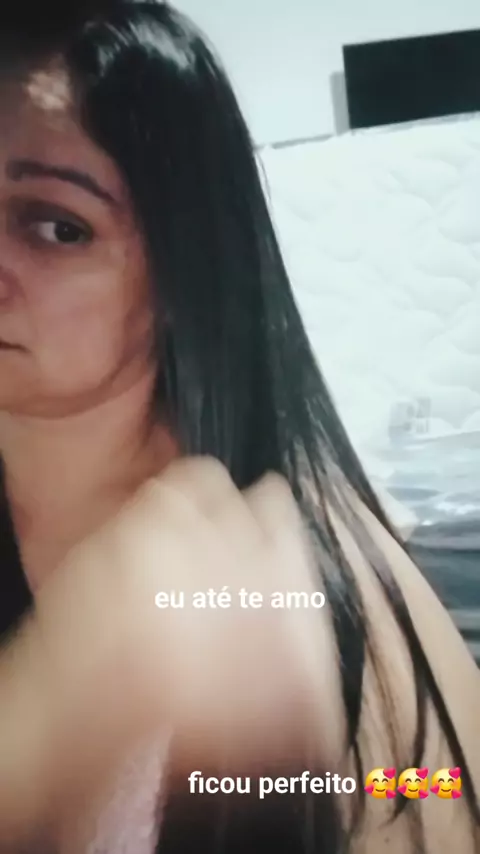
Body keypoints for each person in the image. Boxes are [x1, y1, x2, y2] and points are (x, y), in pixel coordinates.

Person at [0, 2, 478, 852]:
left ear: (182, 266)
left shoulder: (314, 595)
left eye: (56, 226)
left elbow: (431, 787)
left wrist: (293, 783)